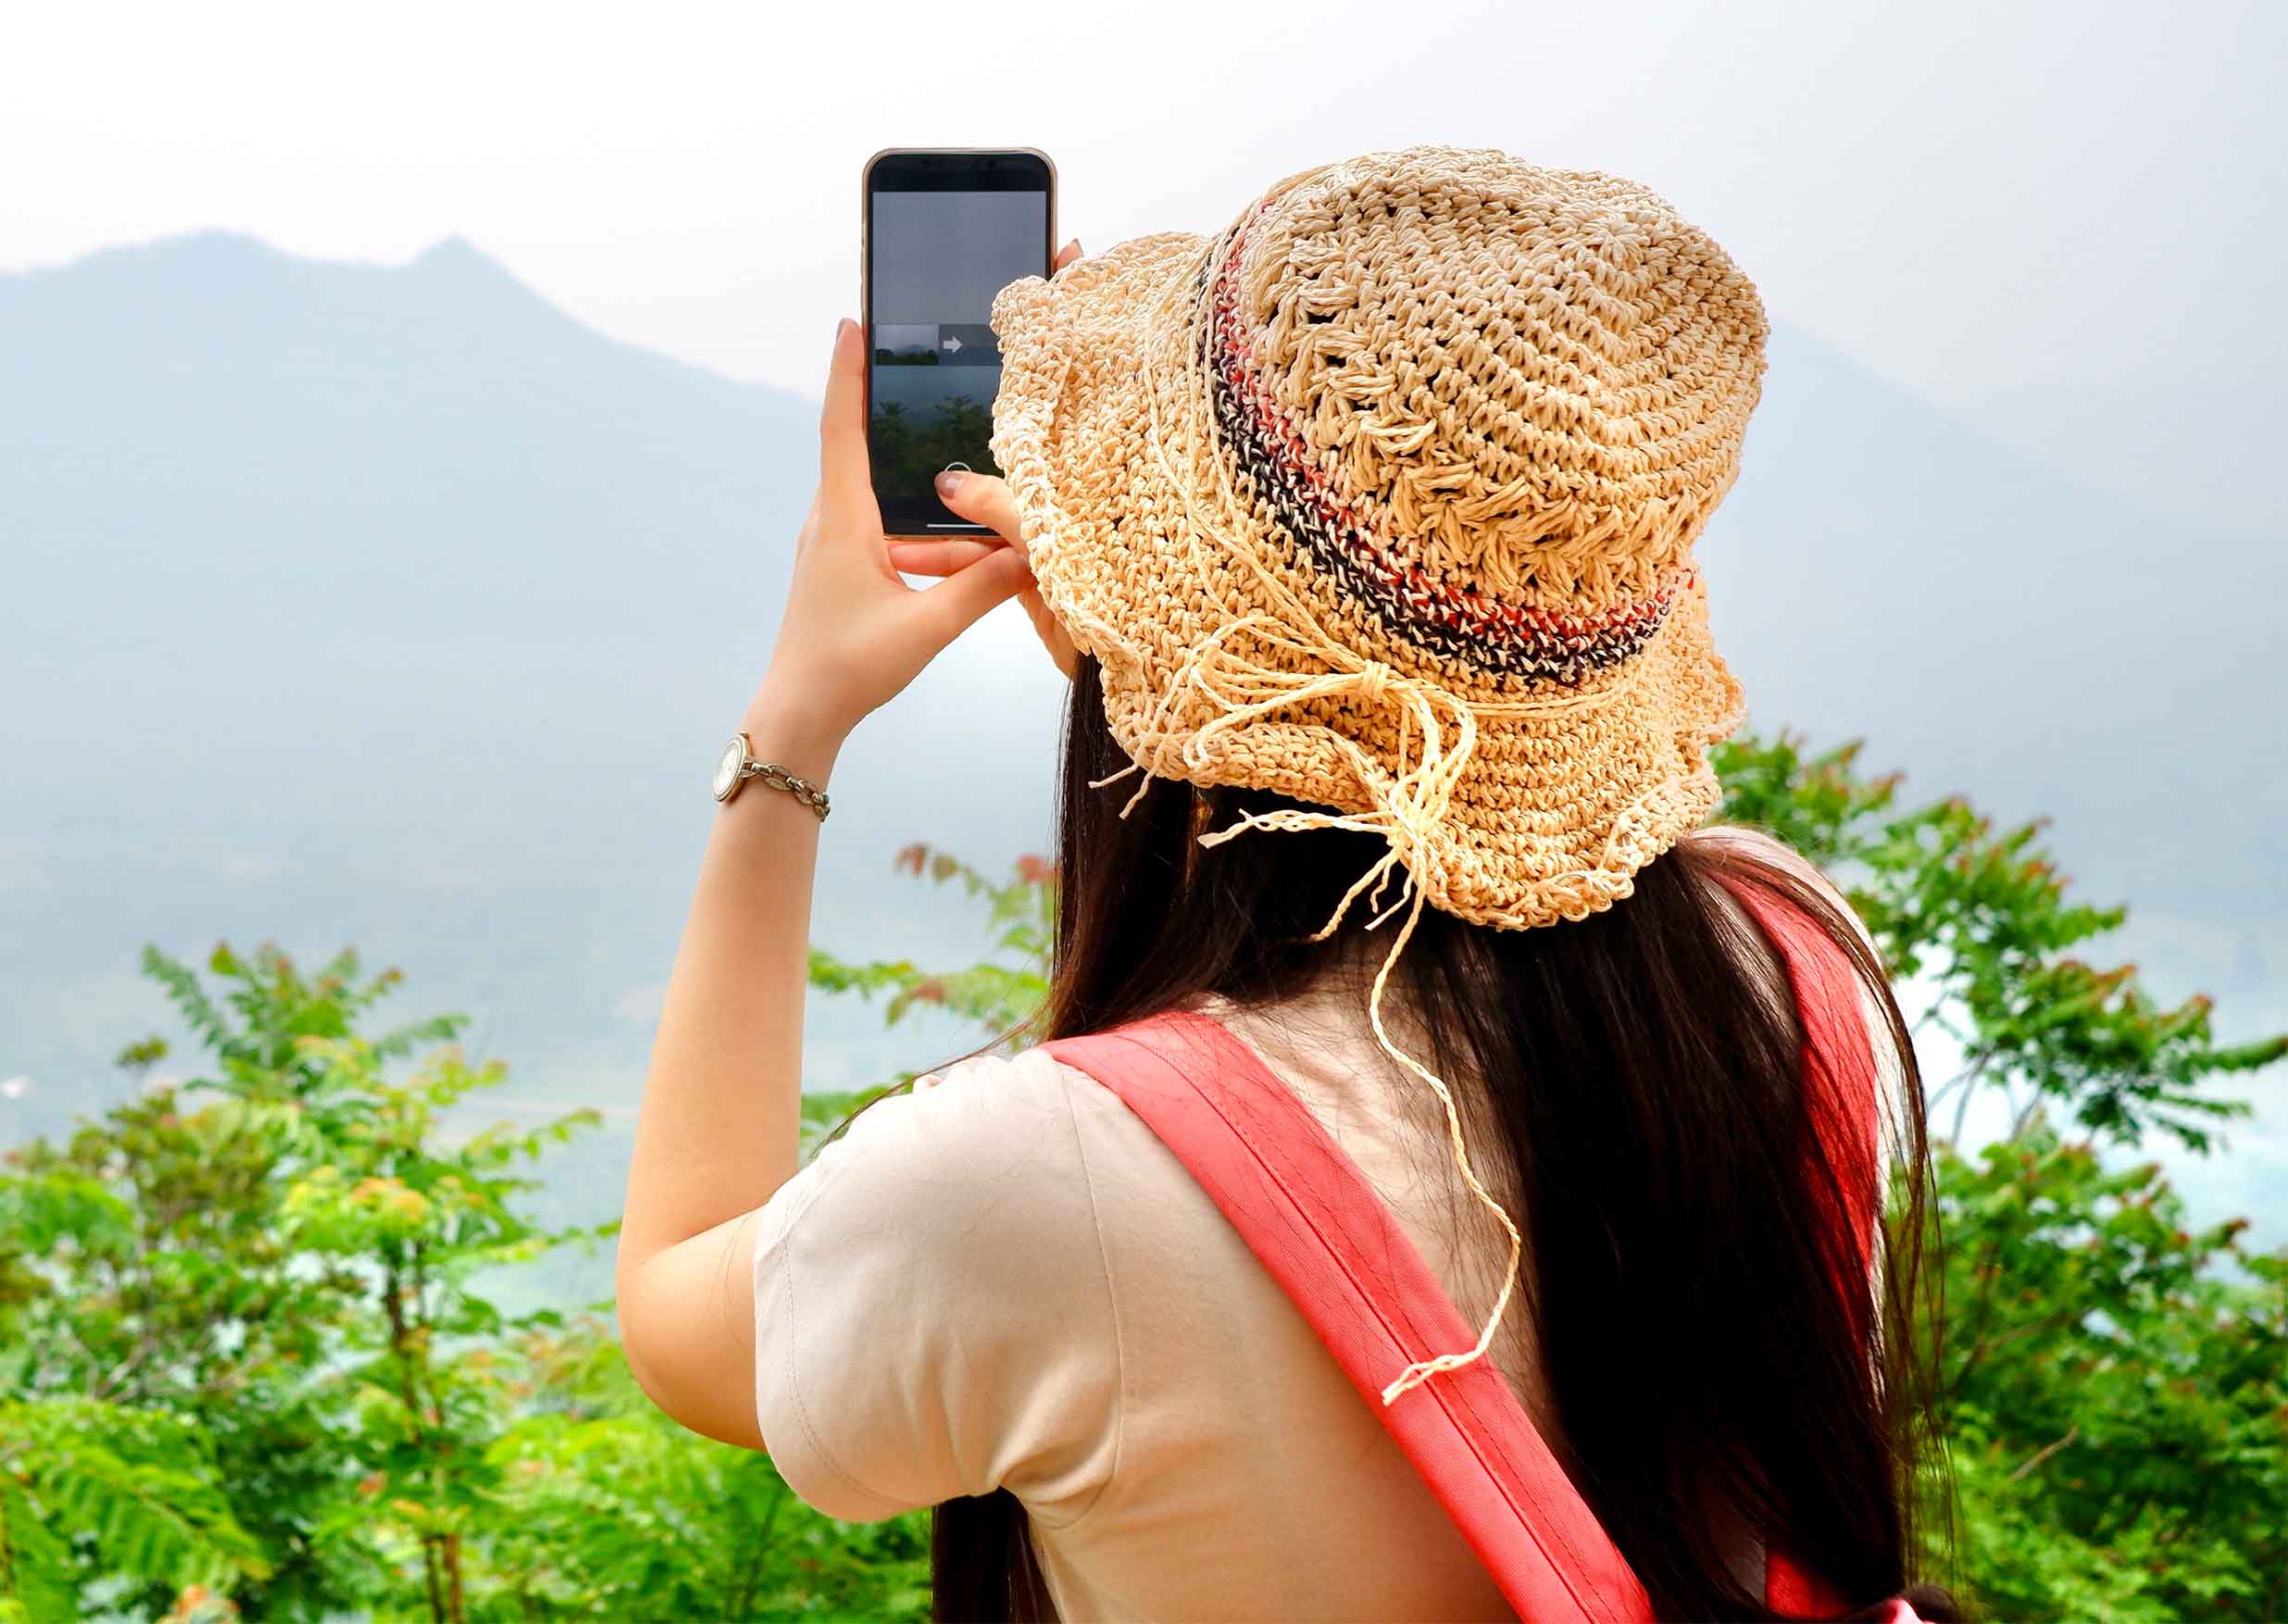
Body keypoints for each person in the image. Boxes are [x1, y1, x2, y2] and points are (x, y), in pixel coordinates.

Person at [616, 148, 1952, 1622]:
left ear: (1133, 591)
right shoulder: (1780, 968)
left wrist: (793, 726)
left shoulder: (1039, 1185)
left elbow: (680, 1310)